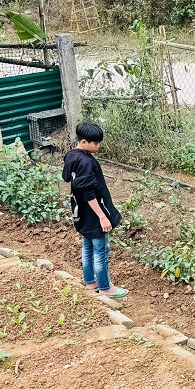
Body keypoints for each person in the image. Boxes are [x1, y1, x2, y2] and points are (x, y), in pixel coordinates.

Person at [62, 122, 127, 299]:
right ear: (84, 142)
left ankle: (91, 282)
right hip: (93, 213)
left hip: (80, 212)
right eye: (95, 143)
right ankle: (106, 288)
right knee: (101, 251)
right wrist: (103, 217)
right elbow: (89, 194)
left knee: (88, 246)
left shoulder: (72, 156)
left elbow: (67, 178)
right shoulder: (86, 162)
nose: (98, 146)